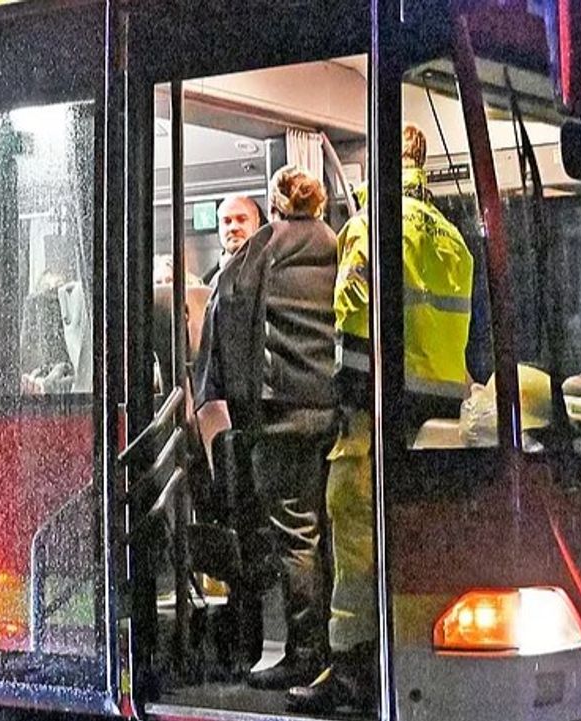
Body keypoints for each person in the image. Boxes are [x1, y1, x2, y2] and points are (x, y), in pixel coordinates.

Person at [287, 125, 473, 712]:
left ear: (383, 164)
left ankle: (349, 672)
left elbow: (354, 320)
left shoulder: (369, 229)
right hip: (439, 415)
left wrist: (347, 402)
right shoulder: (451, 237)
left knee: (354, 536)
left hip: (375, 412)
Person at [194, 166, 339, 689]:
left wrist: (227, 397)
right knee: (323, 535)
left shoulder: (264, 247)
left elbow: (226, 309)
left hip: (278, 415)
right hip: (326, 411)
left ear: (274, 205)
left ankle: (304, 653)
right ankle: (334, 645)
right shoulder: (336, 242)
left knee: (294, 536)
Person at [202, 195, 266, 285]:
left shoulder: (272, 270)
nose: (234, 227)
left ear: (257, 222)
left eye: (242, 220)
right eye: (227, 221)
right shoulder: (207, 283)